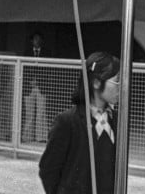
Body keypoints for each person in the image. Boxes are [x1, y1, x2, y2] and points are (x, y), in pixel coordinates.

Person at [39, 51, 120, 194]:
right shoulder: (67, 122)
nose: (121, 87)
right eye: (116, 81)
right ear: (96, 83)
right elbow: (48, 169)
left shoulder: (117, 120)